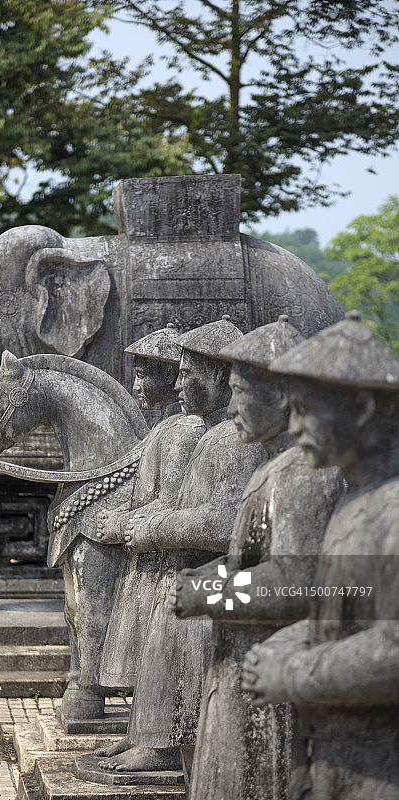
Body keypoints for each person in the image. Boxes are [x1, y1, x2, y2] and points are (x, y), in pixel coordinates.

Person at [171, 316, 343, 800]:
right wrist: (211, 574)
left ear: (282, 395)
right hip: (241, 664)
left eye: (241, 391)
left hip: (269, 675)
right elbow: (250, 560)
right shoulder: (275, 469)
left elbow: (297, 581)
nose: (230, 406)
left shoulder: (305, 475)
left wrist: (208, 591)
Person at [98, 316, 264, 782]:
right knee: (165, 646)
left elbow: (224, 520)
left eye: (189, 372)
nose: (180, 381)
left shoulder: (232, 442)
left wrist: (153, 529)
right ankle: (157, 739)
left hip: (216, 577)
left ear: (218, 376)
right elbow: (185, 501)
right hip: (195, 575)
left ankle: (165, 744)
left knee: (180, 646)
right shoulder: (212, 434)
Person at [242, 311, 399, 800]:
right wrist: (288, 645)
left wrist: (291, 673)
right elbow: (343, 607)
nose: (293, 426)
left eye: (306, 408)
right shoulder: (358, 499)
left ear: (364, 408)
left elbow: (393, 648)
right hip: (333, 752)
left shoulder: (392, 509)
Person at [95, 323, 205, 690]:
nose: (135, 385)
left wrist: (121, 522)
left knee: (157, 663)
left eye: (143, 374)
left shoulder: (184, 430)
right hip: (146, 556)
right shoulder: (164, 427)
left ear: (171, 374)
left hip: (162, 562)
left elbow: (169, 501)